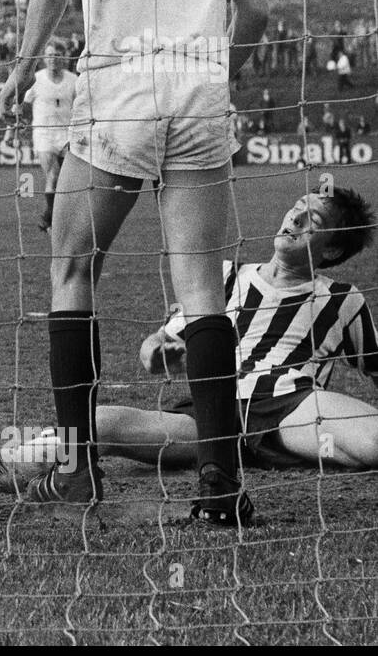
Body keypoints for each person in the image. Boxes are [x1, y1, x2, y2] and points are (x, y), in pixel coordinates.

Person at [0, 0, 269, 524]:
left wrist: (24, 63)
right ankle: (222, 485)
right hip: (198, 95)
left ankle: (82, 470)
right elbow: (257, 7)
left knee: (73, 265)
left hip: (123, 92)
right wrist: (223, 70)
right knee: (201, 286)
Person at [97, 188, 378, 471]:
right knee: (92, 425)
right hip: (210, 417)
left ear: (331, 249)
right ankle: (64, 471)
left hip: (290, 413)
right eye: (298, 206)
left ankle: (299, 448)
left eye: (313, 219)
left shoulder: (342, 299)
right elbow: (157, 344)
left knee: (373, 441)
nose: (296, 217)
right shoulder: (226, 275)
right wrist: (156, 355)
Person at [22, 39, 74, 231]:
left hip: (67, 134)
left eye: (57, 55)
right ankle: (53, 221)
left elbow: (80, 106)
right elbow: (23, 105)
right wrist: (19, 124)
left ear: (64, 58)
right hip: (44, 134)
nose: (53, 59)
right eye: (50, 55)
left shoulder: (73, 80)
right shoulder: (36, 79)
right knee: (53, 175)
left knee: (66, 180)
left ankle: (47, 217)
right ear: (44, 58)